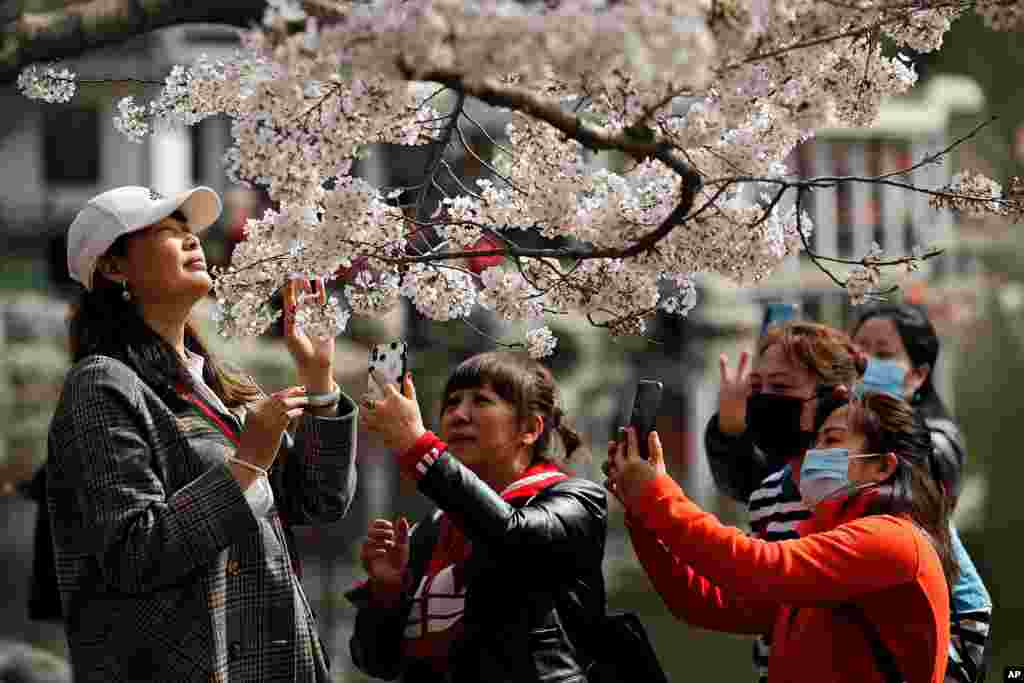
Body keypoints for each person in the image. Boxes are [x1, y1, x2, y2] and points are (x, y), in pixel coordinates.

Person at [46, 186, 359, 682]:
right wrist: (245, 466)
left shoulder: (226, 382)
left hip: (277, 659)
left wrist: (319, 381)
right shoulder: (102, 385)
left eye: (189, 232)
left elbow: (319, 502)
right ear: (114, 268)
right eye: (169, 234)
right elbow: (133, 555)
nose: (192, 243)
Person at [606, 392, 956, 683]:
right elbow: (702, 601)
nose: (813, 455)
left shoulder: (893, 541)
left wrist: (656, 495)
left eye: (831, 440)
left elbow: (758, 565)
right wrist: (643, 512)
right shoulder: (831, 540)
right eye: (815, 441)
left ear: (883, 467)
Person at [350, 351, 607, 682]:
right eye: (452, 402)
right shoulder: (433, 529)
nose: (458, 415)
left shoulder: (576, 501)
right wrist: (388, 589)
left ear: (529, 428)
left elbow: (512, 536)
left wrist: (417, 445)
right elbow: (378, 662)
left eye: (481, 401)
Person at [852, 303, 992, 683]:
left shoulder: (940, 439)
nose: (865, 364)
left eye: (882, 354)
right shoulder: (842, 424)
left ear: (917, 374)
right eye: (858, 351)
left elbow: (917, 471)